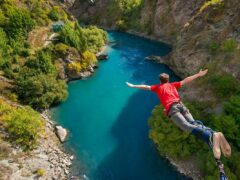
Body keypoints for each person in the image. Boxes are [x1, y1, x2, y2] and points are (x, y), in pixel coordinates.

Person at [126, 69, 231, 179]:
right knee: (193, 123)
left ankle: (211, 136)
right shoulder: (172, 85)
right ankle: (213, 134)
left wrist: (133, 86)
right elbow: (186, 80)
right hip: (181, 105)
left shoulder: (158, 87)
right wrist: (199, 74)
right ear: (168, 79)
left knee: (185, 126)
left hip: (173, 109)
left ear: (160, 81)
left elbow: (146, 87)